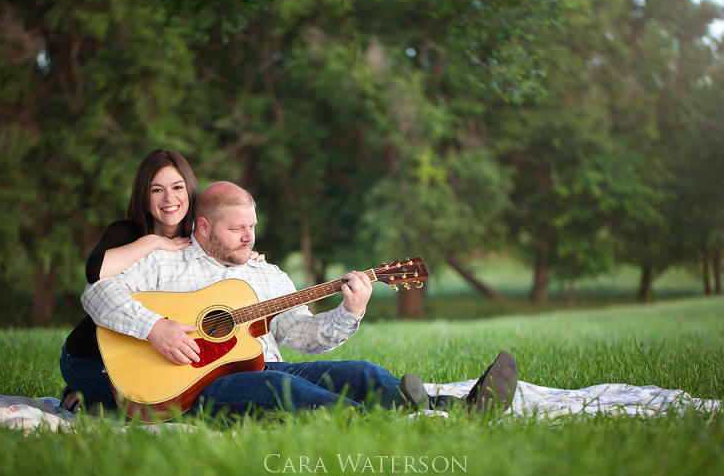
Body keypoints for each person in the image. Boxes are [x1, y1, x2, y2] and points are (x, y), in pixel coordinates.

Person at [79, 181, 519, 418]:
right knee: (284, 387)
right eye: (237, 229)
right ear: (204, 228)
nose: (249, 237)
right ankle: (387, 425)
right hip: (195, 387)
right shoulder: (165, 260)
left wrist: (351, 309)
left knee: (361, 372)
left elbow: (301, 335)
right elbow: (97, 292)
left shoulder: (267, 275)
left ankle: (461, 410)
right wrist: (154, 328)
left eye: (252, 226)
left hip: (266, 365)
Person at [59, 149, 264, 413]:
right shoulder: (126, 231)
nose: (169, 198)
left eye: (177, 187)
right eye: (157, 190)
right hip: (92, 350)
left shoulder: (199, 237)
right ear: (144, 197)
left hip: (151, 353)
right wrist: (154, 242)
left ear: (190, 191)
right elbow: (96, 272)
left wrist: (246, 256)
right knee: (152, 410)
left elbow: (227, 254)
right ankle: (76, 393)